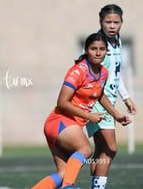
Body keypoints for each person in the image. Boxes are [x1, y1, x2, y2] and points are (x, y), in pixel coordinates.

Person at [31, 33, 131, 189]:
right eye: (93, 49)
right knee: (85, 149)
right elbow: (62, 102)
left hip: (67, 126)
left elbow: (99, 94)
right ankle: (68, 187)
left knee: (63, 174)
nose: (98, 53)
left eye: (102, 49)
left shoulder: (103, 72)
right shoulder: (78, 71)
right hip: (59, 122)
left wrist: (117, 115)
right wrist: (89, 116)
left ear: (106, 51)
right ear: (86, 50)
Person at [86, 4, 137, 189]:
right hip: (97, 102)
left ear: (122, 22)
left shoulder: (118, 41)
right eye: (108, 22)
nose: (113, 25)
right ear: (101, 22)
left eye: (116, 22)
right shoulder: (99, 44)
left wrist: (125, 97)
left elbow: (116, 73)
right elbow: (88, 75)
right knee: (110, 149)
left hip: (109, 100)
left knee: (100, 151)